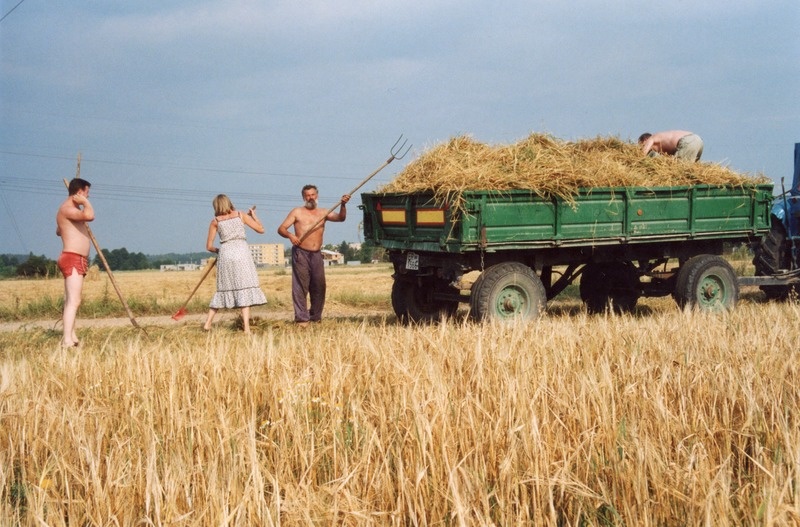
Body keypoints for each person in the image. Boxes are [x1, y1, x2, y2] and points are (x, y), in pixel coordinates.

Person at [277, 185, 350, 326]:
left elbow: (341, 218)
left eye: (313, 195)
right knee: (300, 286)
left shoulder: (323, 213)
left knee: (319, 285)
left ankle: (315, 317)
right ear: (303, 197)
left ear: (317, 195)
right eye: (307, 195)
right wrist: (291, 236)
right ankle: (302, 319)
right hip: (301, 253)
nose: (310, 198)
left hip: (316, 254)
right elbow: (281, 229)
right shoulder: (297, 212)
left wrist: (343, 205)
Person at [204, 194, 267, 334]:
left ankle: (208, 323)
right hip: (242, 253)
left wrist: (220, 250)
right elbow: (261, 229)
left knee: (222, 289)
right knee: (244, 288)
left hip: (226, 254)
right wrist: (253, 215)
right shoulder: (240, 215)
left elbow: (209, 246)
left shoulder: (215, 221)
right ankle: (247, 328)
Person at [56, 177, 95, 348]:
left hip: (76, 258)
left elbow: (59, 230)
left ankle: (71, 335)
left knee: (70, 300)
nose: (88, 196)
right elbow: (90, 215)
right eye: (87, 193)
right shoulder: (67, 208)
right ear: (79, 192)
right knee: (74, 301)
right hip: (72, 257)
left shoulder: (69, 211)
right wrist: (85, 203)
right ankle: (66, 341)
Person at [638, 130, 704, 161]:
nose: (641, 147)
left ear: (645, 140)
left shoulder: (651, 139)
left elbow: (641, 155)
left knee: (679, 169)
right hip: (698, 141)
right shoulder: (661, 141)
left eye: (641, 144)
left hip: (688, 141)